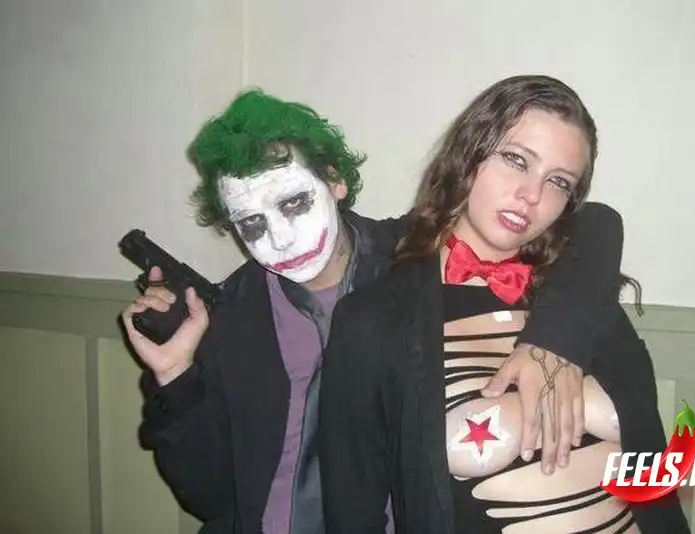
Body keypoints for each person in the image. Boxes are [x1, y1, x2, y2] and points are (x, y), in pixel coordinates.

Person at [120, 88, 629, 534]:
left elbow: (593, 224)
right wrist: (175, 377)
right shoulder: (228, 315)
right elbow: (208, 496)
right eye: (251, 222)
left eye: (293, 203)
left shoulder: (411, 259)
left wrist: (556, 338)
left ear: (334, 181)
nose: (280, 237)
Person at [318, 75, 691, 533]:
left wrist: (555, 342)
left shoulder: (582, 297)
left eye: (558, 181)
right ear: (468, 153)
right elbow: (353, 509)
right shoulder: (373, 319)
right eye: (516, 160)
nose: (532, 195)